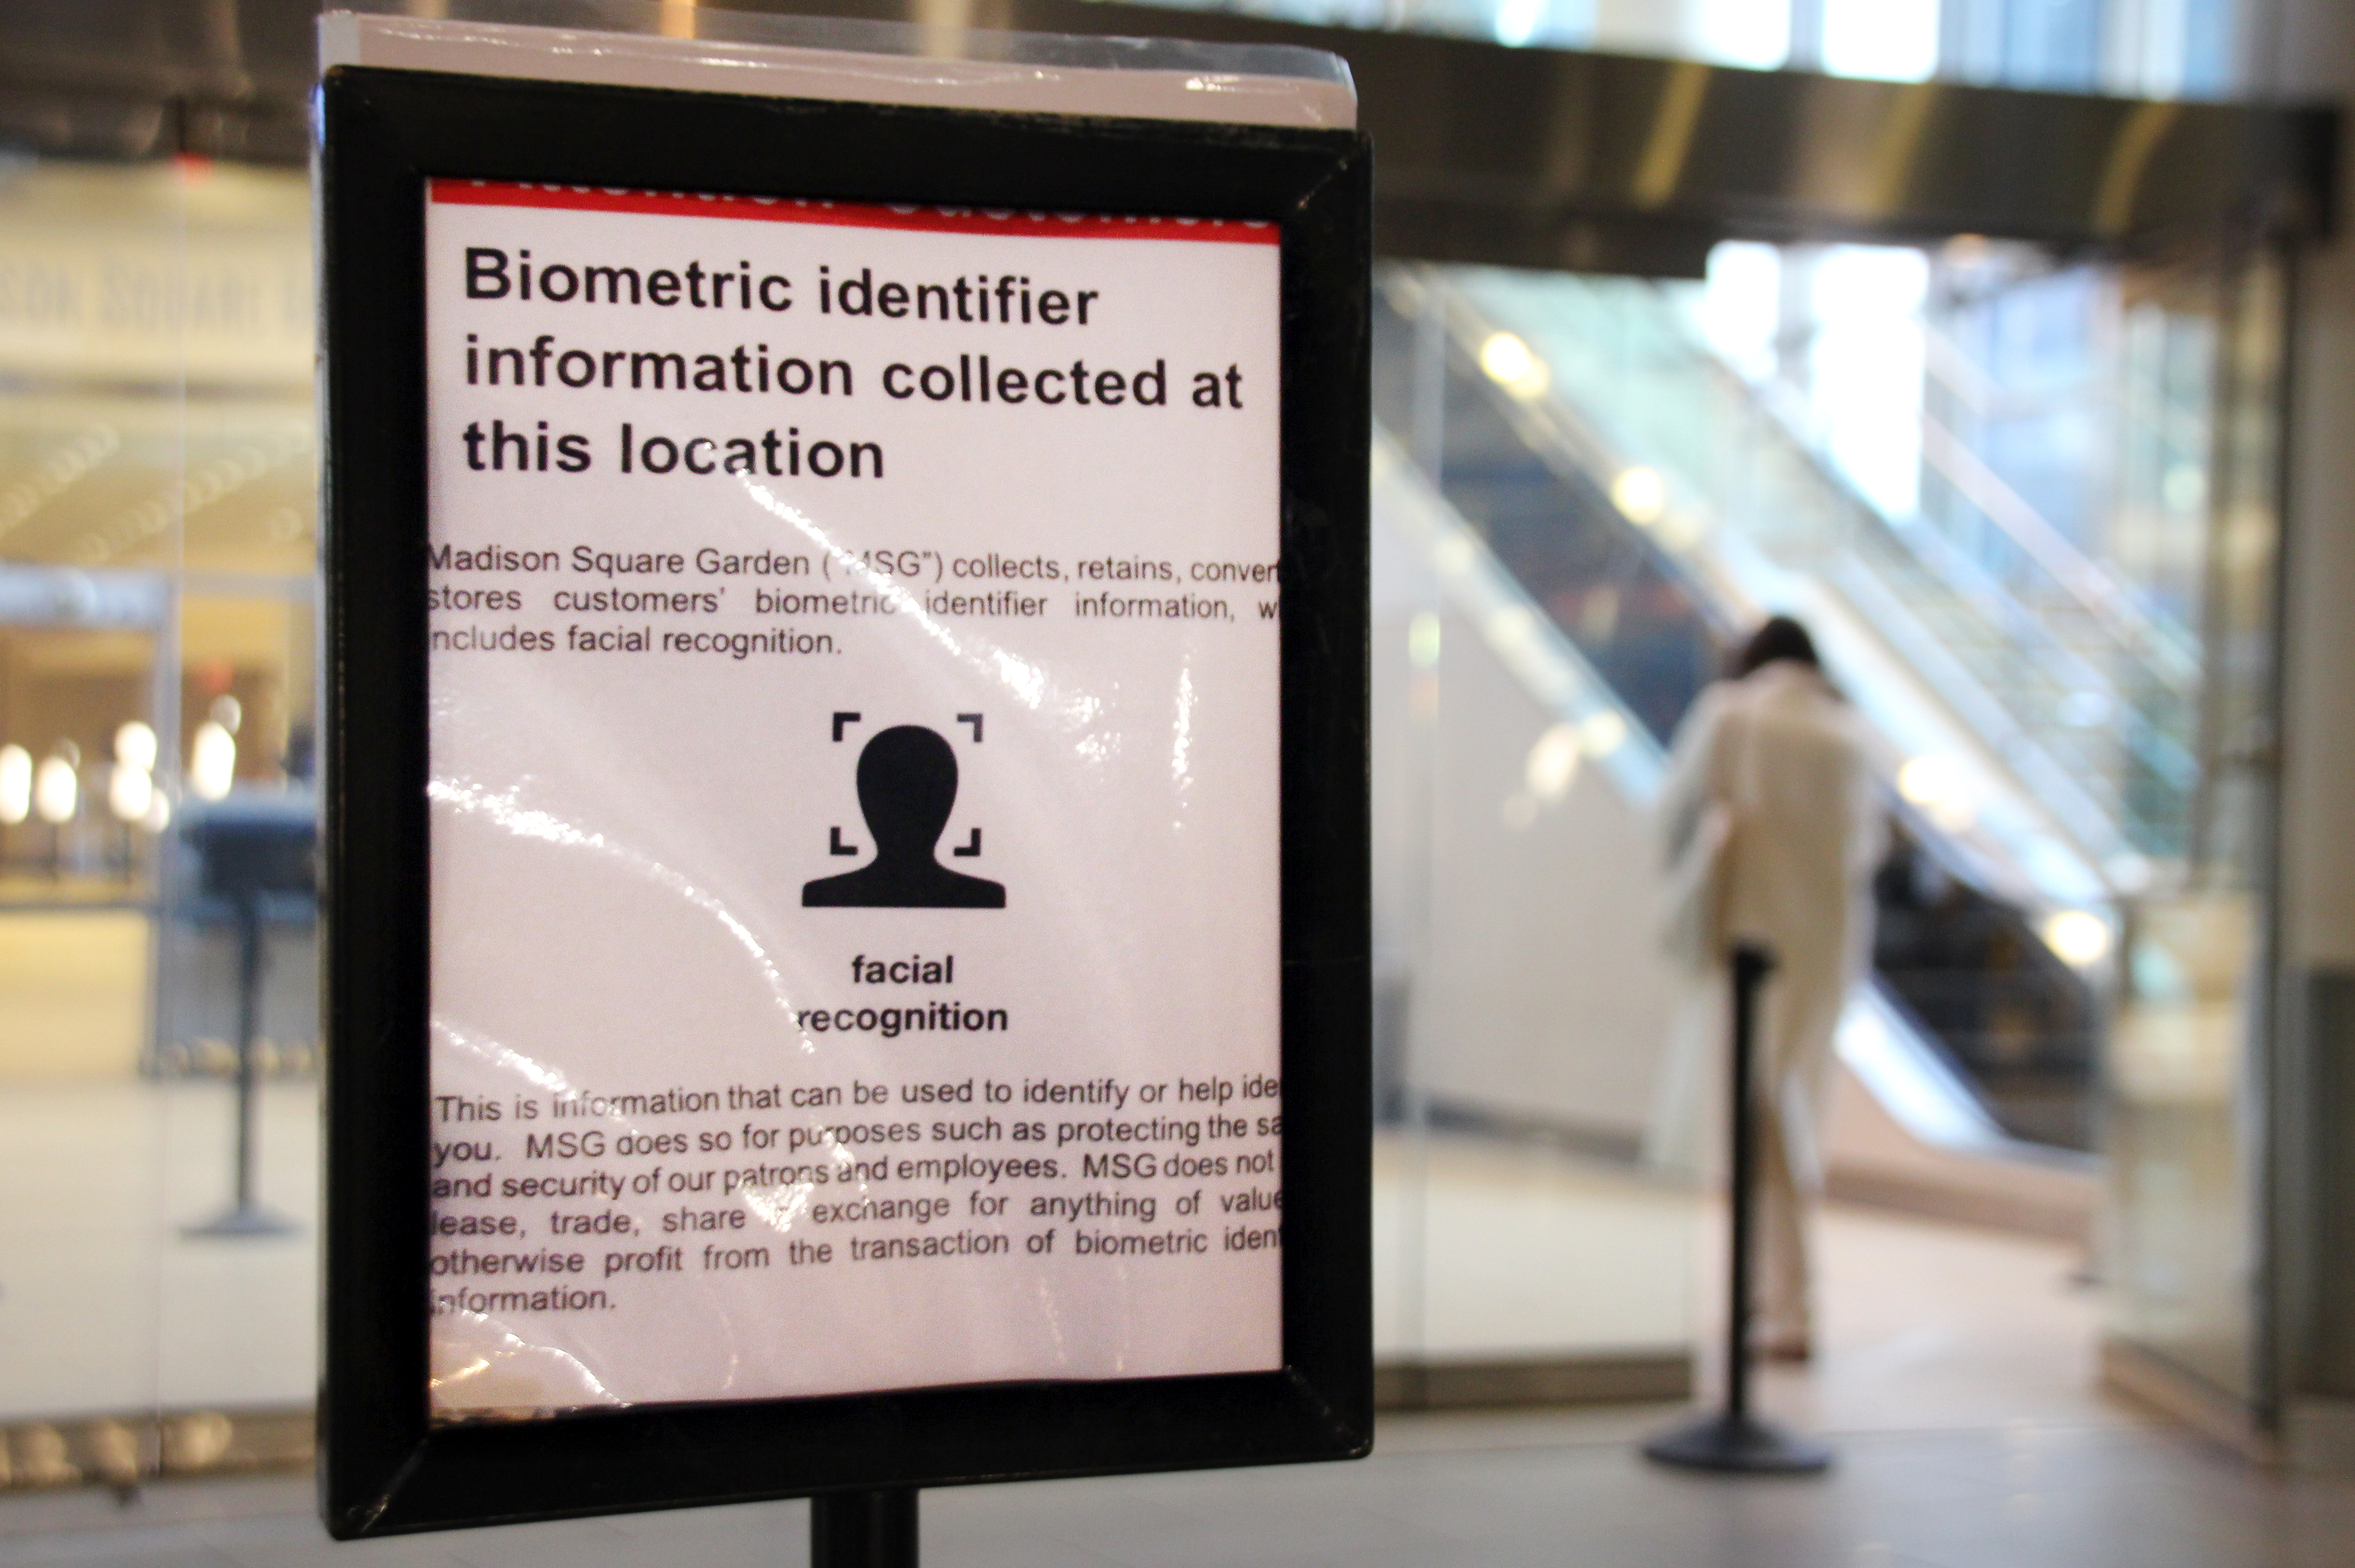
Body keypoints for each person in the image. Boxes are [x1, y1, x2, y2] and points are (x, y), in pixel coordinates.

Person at [1653, 615, 1884, 1362]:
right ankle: (1773, 1295)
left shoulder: (1731, 716)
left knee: (1760, 1120)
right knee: (1787, 1110)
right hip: (1822, 951)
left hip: (1744, 947)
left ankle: (1786, 1301)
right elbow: (1865, 848)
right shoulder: (1848, 734)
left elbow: (1671, 817)